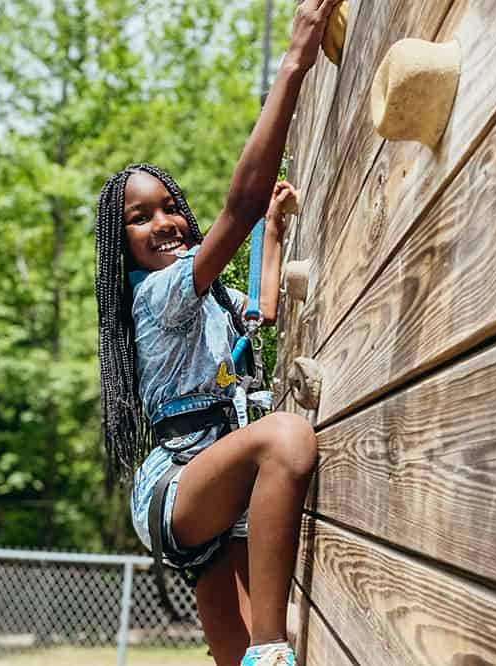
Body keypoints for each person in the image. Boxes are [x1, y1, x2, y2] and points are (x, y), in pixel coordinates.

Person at [95, 2, 343, 664]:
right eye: (140, 218)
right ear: (120, 248)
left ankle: (255, 653)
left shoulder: (213, 301)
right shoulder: (157, 297)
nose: (164, 222)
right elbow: (238, 205)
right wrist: (296, 58)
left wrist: (278, 231)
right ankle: (272, 649)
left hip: (223, 497)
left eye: (171, 207)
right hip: (180, 486)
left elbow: (260, 308)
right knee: (288, 439)